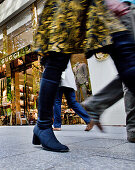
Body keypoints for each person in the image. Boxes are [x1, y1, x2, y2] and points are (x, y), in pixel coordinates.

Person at [33, 0, 135, 152]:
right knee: (57, 59)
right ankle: (42, 126)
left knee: (125, 51)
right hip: (70, 4)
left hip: (96, 4)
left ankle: (42, 127)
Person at [82, 0, 135, 143]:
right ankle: (133, 129)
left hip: (120, 12)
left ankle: (97, 103)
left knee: (128, 71)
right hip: (122, 11)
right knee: (130, 70)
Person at [53, 61, 93, 131]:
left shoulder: (55, 52)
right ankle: (89, 120)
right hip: (69, 80)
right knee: (72, 102)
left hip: (59, 79)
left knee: (57, 101)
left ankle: (57, 125)